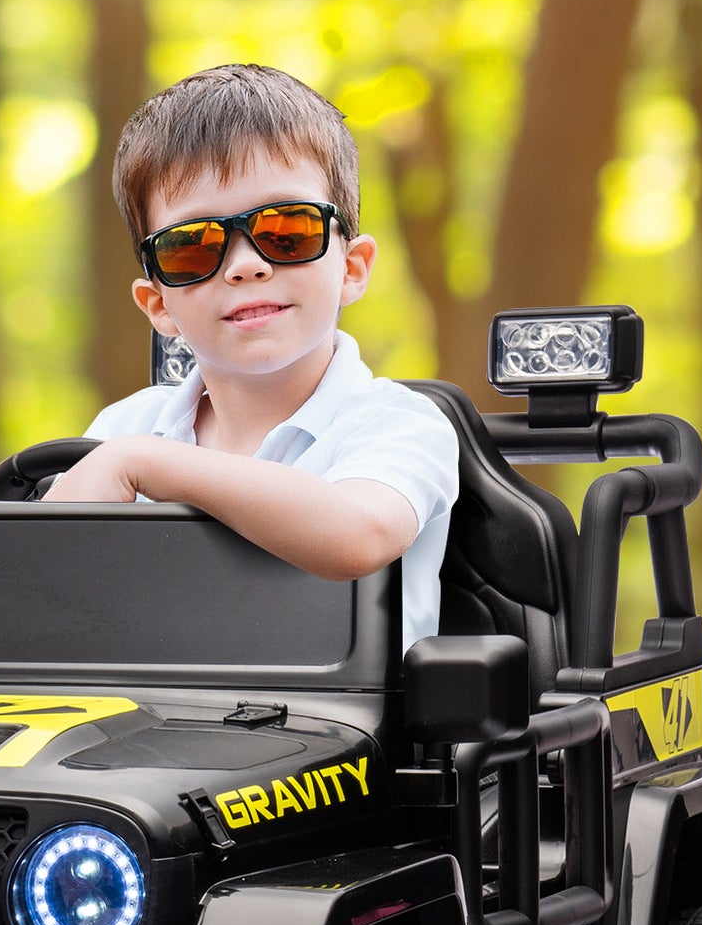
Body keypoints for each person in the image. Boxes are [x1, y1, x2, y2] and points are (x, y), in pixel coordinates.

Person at [49, 63, 460, 657]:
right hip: (144, 727)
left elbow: (358, 535)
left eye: (286, 230)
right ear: (159, 304)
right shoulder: (122, 429)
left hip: (351, 733)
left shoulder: (399, 423)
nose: (245, 265)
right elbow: (52, 591)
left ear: (351, 267)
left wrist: (144, 465)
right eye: (193, 246)